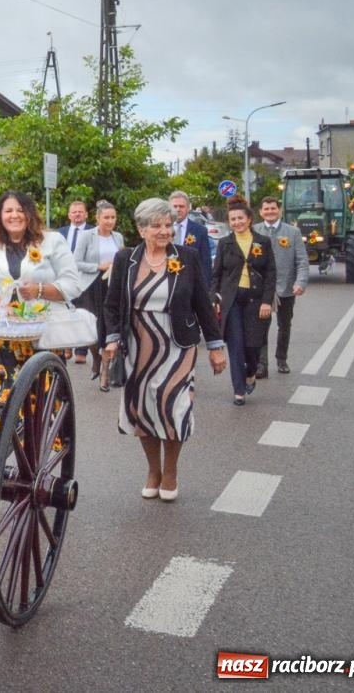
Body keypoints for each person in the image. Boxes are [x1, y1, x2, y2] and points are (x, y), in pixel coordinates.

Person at [101, 198, 226, 501]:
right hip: (138, 344)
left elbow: (202, 304)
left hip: (177, 344)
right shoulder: (125, 259)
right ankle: (152, 470)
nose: (164, 231)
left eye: (168, 225)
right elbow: (113, 304)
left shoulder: (188, 257)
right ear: (141, 229)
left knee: (174, 408)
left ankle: (170, 471)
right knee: (142, 409)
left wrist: (215, 345)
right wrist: (112, 337)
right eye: (156, 226)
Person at [0, 191, 83, 458]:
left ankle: (39, 457)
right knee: (0, 399)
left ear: (30, 214)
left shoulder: (52, 242)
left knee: (42, 403)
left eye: (20, 210)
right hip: (1, 337)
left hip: (42, 335)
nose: (14, 216)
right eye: (9, 210)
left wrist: (41, 289)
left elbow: (73, 284)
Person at [210, 196, 276, 404]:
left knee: (252, 347)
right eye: (233, 219)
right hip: (232, 302)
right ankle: (239, 390)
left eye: (240, 218)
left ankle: (251, 373)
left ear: (249, 219)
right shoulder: (225, 243)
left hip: (256, 302)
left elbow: (271, 273)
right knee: (236, 347)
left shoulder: (262, 242)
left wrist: (267, 301)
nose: (237, 222)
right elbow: (216, 274)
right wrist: (214, 297)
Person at [255, 196, 309, 375]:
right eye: (266, 209)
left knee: (284, 326)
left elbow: (302, 261)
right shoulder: (254, 231)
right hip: (262, 290)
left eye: (273, 208)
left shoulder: (292, 232)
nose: (270, 212)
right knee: (261, 327)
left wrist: (300, 282)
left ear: (279, 210)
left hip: (286, 288)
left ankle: (282, 359)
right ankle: (262, 365)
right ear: (261, 212)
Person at [87, 200, 125, 389]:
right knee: (92, 331)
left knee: (107, 328)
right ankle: (95, 356)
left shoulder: (118, 237)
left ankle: (105, 371)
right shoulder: (88, 237)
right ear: (98, 218)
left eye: (113, 217)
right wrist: (98, 266)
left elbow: (123, 259)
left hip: (112, 285)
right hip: (92, 286)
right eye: (106, 218)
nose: (110, 221)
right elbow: (76, 262)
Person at [61, 199, 98, 365]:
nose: (77, 214)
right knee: (65, 312)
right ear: (69, 215)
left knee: (84, 312)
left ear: (86, 214)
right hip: (64, 279)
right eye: (74, 212)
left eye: (80, 211)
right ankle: (67, 345)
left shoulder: (94, 232)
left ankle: (81, 350)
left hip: (86, 280)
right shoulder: (60, 233)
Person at [169, 190, 215, 270]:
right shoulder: (162, 229)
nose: (178, 209)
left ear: (188, 208)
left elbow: (205, 262)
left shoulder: (200, 231)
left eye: (181, 206)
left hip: (191, 279)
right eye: (175, 206)